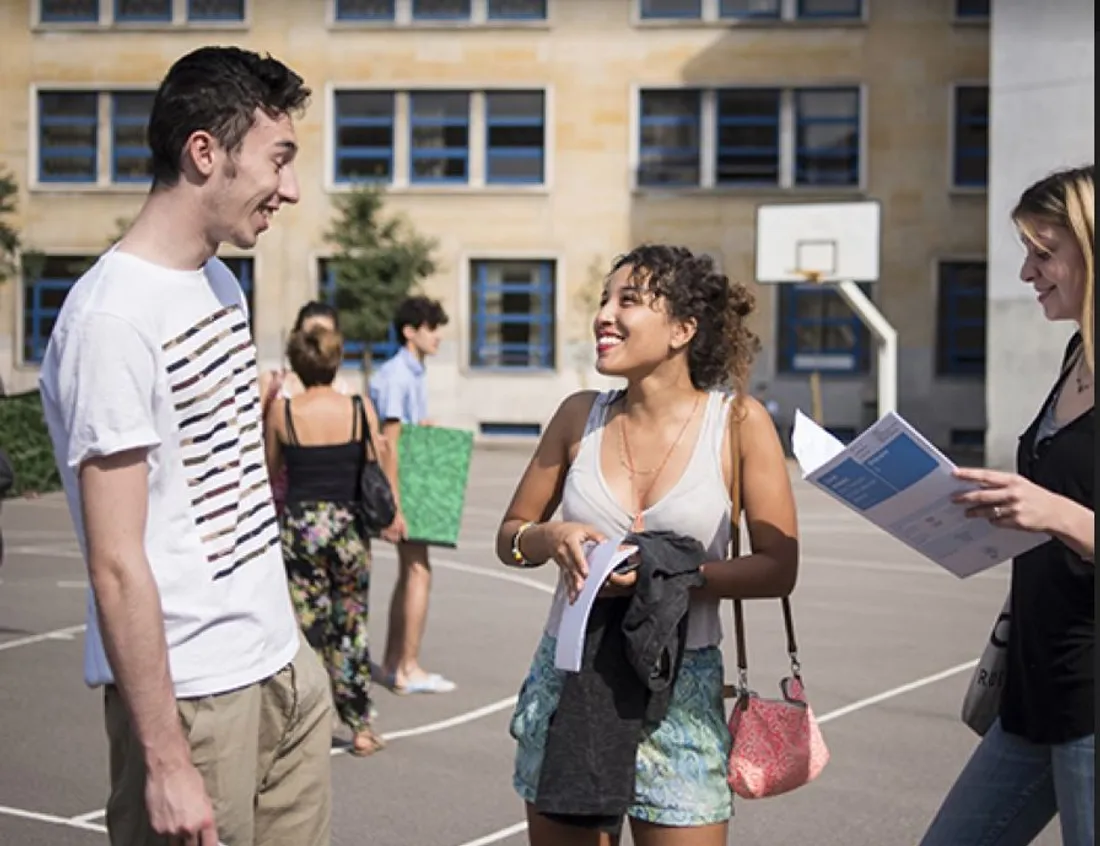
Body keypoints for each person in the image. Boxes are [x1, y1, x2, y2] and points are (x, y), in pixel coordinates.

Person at [38, 46, 332, 846]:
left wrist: (297, 658)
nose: (292, 189)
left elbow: (233, 483)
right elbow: (116, 561)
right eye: (280, 159)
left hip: (282, 673)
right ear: (205, 152)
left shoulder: (220, 283)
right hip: (196, 706)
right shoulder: (110, 321)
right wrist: (166, 760)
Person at [495, 245, 800, 846]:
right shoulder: (577, 416)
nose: (605, 315)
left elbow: (778, 568)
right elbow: (510, 538)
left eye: (628, 301)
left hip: (681, 689)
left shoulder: (738, 423)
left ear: (684, 329)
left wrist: (673, 574)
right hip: (573, 677)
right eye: (604, 300)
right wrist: (550, 537)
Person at [920, 165, 1095, 846]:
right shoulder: (1078, 353)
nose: (1027, 272)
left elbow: (1065, 510)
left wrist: (1053, 514)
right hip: (1037, 683)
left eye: (1045, 253)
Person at [264, 322, 389, 757]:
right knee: (350, 627)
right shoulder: (358, 408)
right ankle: (359, 726)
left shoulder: (284, 412)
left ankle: (305, 723)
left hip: (300, 527)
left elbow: (270, 469)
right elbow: (375, 461)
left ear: (297, 363)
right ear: (336, 361)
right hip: (349, 528)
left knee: (306, 628)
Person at [369, 295, 456, 694]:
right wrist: (396, 505)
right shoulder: (397, 375)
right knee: (419, 571)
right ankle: (408, 667)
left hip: (411, 480)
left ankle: (392, 664)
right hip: (405, 484)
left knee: (411, 572)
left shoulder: (412, 373)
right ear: (410, 331)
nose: (437, 336)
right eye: (430, 327)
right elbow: (389, 441)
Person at [259, 301, 351, 515]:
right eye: (310, 335)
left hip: (333, 501)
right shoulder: (272, 383)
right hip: (276, 504)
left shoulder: (347, 393)